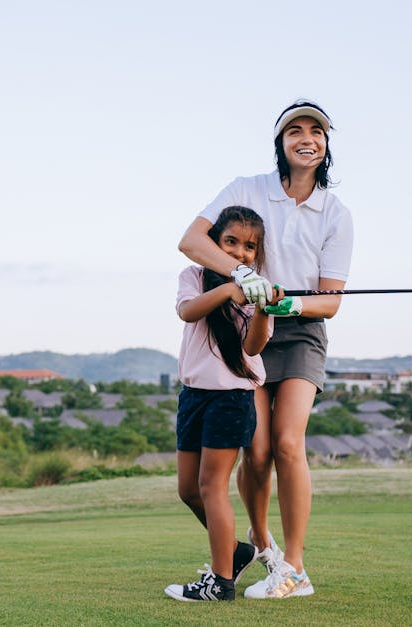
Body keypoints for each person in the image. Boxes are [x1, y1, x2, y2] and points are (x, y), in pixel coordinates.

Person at [177, 100, 353, 599]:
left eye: (316, 132)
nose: (306, 138)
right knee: (254, 454)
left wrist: (284, 300)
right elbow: (192, 241)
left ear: (325, 145)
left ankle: (294, 567)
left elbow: (331, 302)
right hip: (242, 329)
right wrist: (245, 277)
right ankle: (259, 541)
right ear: (280, 143)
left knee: (287, 444)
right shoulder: (245, 188)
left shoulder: (336, 214)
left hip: (297, 332)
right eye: (294, 130)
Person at [164, 205, 284, 602]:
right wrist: (230, 288)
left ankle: (220, 581)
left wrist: (264, 310)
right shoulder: (195, 276)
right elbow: (187, 311)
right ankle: (235, 552)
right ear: (214, 242)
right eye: (230, 241)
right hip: (194, 396)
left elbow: (252, 347)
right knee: (188, 490)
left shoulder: (257, 292)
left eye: (250, 247)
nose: (240, 252)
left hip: (231, 398)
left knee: (211, 487)